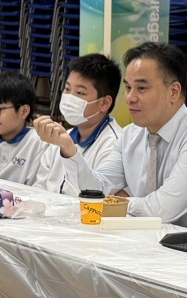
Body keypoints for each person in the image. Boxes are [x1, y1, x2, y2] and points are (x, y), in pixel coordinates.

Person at [53, 43, 187, 230]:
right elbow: (97, 190)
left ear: (174, 92)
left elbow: (162, 210)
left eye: (141, 88)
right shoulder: (130, 135)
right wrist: (70, 152)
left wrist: (118, 203)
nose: (130, 98)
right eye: (128, 88)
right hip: (155, 241)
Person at [29, 52, 125, 194]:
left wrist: (69, 150)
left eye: (80, 93)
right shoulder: (60, 138)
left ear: (104, 103)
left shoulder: (115, 144)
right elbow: (40, 188)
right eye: (67, 89)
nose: (69, 98)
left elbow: (98, 193)